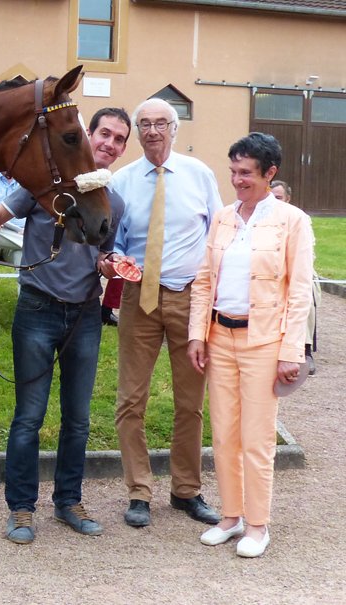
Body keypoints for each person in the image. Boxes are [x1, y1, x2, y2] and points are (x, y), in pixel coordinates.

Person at [0, 107, 130, 544]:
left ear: (123, 149)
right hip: (37, 312)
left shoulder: (114, 202)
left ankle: (69, 502)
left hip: (84, 316)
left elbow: (102, 253)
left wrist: (110, 264)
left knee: (78, 419)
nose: (109, 143)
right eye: (104, 133)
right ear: (87, 135)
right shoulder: (43, 184)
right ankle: (21, 509)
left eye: (119, 139)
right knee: (29, 417)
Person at [188, 133, 314, 558]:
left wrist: (291, 351)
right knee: (224, 434)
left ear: (269, 173)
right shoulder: (223, 218)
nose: (237, 180)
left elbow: (299, 291)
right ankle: (231, 516)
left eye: (246, 173)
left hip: (264, 341)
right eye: (233, 171)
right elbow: (204, 279)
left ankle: (258, 525)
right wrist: (197, 334)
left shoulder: (293, 221)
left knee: (257, 437)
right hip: (220, 337)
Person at [108, 98, 223, 528]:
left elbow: (217, 235)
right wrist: (117, 259)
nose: (153, 131)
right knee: (130, 400)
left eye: (161, 123)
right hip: (139, 297)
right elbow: (114, 239)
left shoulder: (199, 174)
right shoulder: (122, 180)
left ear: (175, 129)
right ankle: (138, 491)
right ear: (137, 132)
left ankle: (186, 490)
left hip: (190, 298)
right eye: (145, 124)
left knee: (190, 403)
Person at [271, 180, 320, 376]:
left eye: (278, 197)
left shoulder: (299, 218)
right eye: (271, 197)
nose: (274, 201)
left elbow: (307, 256)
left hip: (297, 269)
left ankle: (305, 350)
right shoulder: (261, 217)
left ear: (288, 199)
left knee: (306, 294)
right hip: (270, 270)